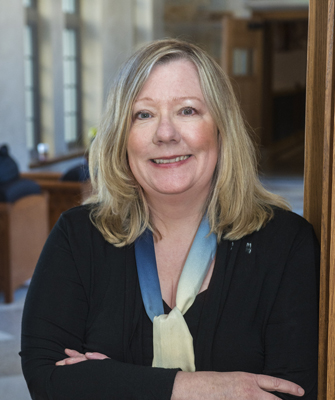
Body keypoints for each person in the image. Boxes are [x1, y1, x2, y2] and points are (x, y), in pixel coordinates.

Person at [20, 39, 319, 399]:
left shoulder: (286, 243)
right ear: (122, 135)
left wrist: (108, 380)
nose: (165, 133)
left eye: (187, 111)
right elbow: (47, 380)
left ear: (222, 127)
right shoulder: (78, 236)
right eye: (143, 114)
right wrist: (204, 387)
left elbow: (293, 392)